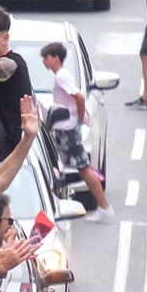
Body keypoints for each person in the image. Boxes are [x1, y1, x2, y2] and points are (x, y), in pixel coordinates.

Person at [38, 42, 111, 220]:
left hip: (67, 130)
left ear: (55, 57)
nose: (43, 61)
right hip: (63, 129)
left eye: (45, 57)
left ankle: (104, 207)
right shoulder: (61, 75)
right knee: (56, 165)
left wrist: (79, 118)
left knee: (83, 168)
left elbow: (79, 96)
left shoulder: (62, 76)